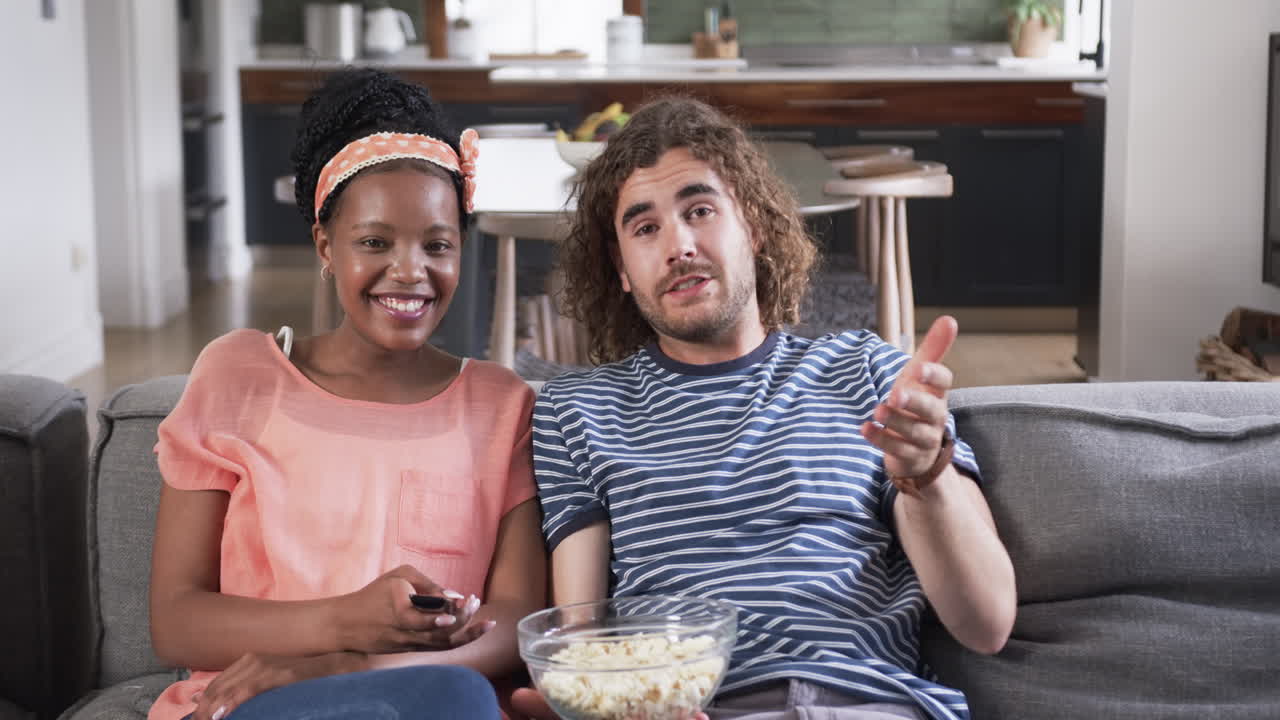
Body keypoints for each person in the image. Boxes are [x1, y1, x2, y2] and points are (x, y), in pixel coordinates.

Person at [515, 98, 1016, 720]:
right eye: (645, 229)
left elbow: (988, 623)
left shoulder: (868, 372)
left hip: (869, 707)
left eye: (701, 211)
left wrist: (927, 478)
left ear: (752, 226)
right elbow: (585, 645)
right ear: (621, 269)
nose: (679, 246)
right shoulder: (576, 411)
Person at [147, 68, 545, 720]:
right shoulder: (237, 376)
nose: (410, 271)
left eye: (437, 245)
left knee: (463, 695)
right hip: (255, 703)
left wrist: (353, 662)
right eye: (374, 242)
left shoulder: (503, 407)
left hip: (430, 695)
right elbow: (177, 618)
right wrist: (342, 624)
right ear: (325, 245)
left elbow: (514, 621)